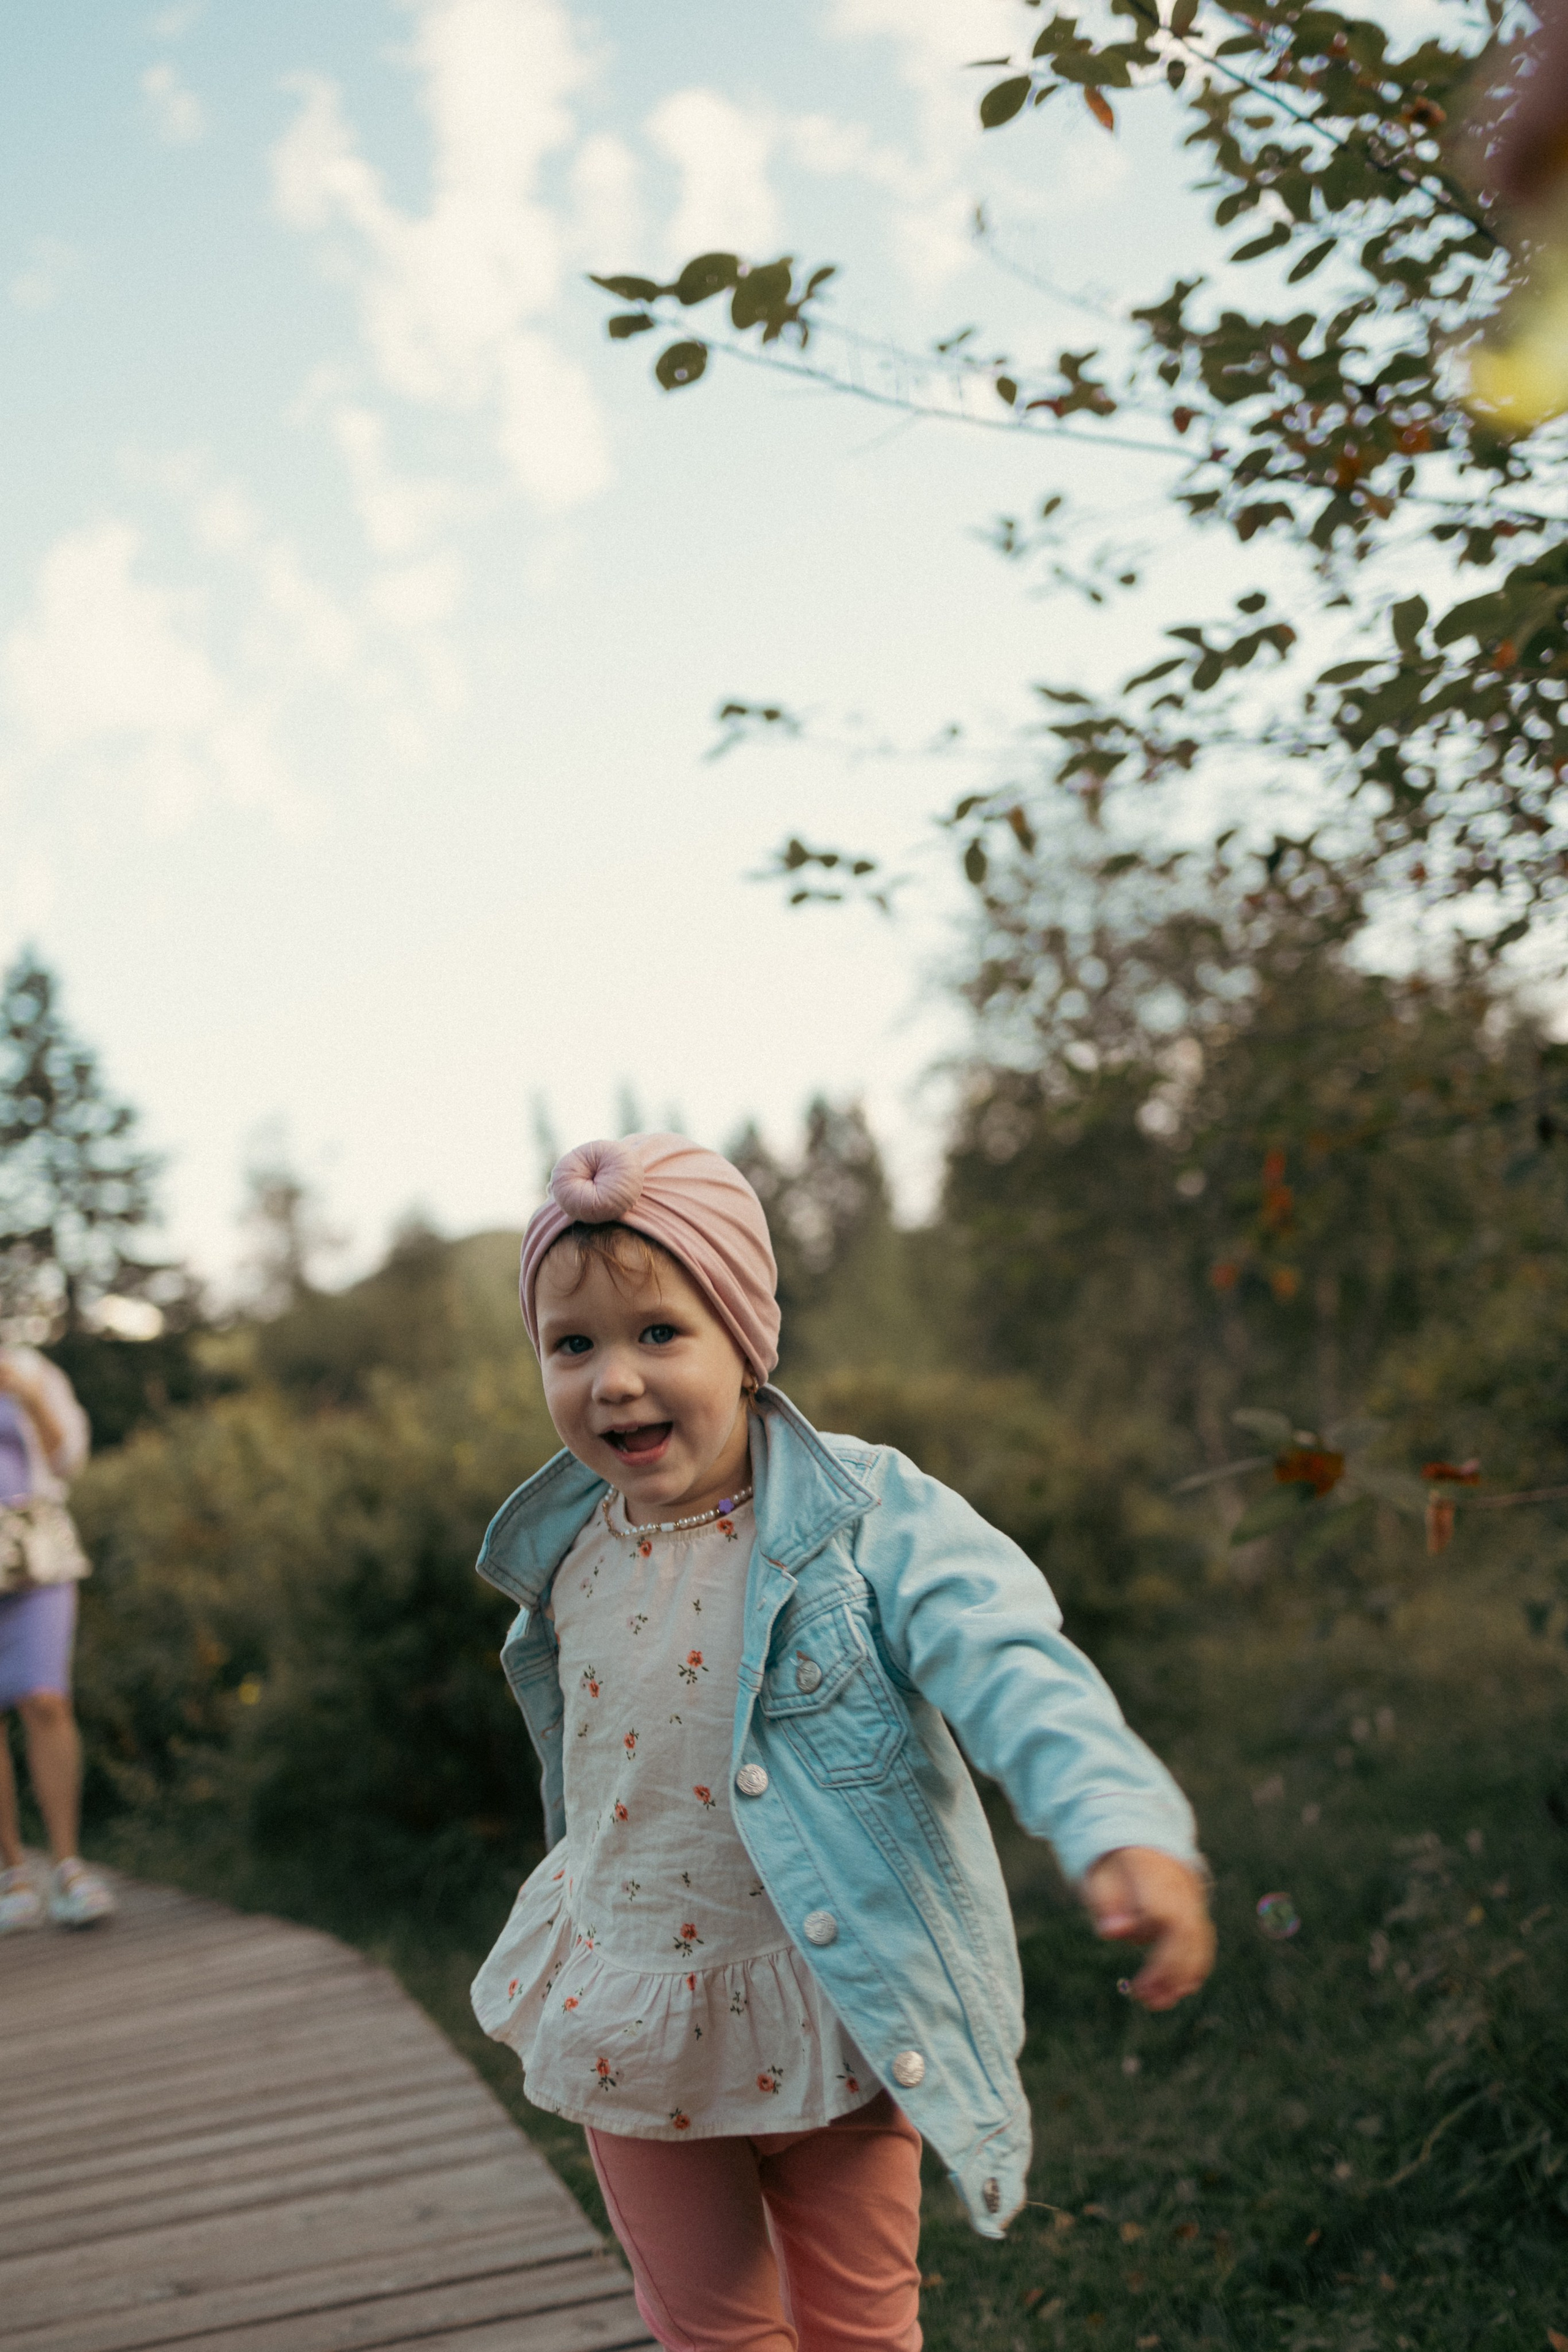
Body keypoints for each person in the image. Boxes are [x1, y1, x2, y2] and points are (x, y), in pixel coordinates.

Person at [472, 1134, 1214, 2351]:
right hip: (632, 2006)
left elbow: (1010, 1662)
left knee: (860, 2328)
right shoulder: (565, 1555)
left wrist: (1113, 1821)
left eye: (658, 1334)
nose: (613, 1381)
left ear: (745, 1339)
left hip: (832, 2000)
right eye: (574, 1345)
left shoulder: (866, 1517)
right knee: (708, 2331)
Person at [0, 1344, 115, 1931]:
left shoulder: (31, 1370)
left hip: (38, 1558)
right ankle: (11, 1872)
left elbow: (67, 1459)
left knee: (46, 1698)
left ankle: (68, 1866)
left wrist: (28, 1395)